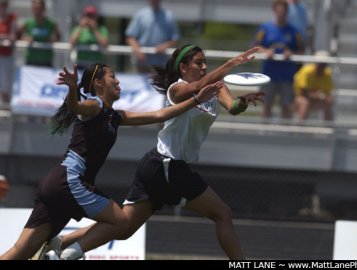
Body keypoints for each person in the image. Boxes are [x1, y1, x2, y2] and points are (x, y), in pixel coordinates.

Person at [42, 45, 263, 260]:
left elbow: (232, 108)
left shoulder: (216, 87)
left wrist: (242, 102)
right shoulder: (177, 88)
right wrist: (231, 63)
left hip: (162, 168)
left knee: (125, 228)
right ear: (183, 68)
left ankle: (60, 244)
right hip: (167, 164)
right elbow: (196, 89)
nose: (204, 66)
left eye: (205, 62)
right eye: (198, 62)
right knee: (222, 213)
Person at [0, 62, 220, 260]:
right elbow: (76, 107)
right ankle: (67, 255)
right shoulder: (94, 106)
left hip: (58, 185)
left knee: (22, 251)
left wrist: (196, 100)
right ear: (98, 83)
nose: (117, 80)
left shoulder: (115, 116)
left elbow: (159, 115)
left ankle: (61, 251)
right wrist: (72, 89)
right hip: (69, 181)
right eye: (112, 76)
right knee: (122, 222)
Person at [253, 0, 303, 119]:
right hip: (268, 75)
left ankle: (285, 134)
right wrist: (266, 51)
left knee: (287, 106)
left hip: (287, 76)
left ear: (287, 12)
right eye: (279, 10)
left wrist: (291, 53)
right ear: (274, 10)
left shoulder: (294, 31)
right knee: (266, 104)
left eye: (284, 10)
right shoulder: (265, 28)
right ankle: (264, 132)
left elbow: (301, 50)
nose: (281, 13)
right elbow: (255, 46)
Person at [125, 0, 180, 74]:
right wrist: (138, 51)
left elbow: (175, 38)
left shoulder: (169, 16)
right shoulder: (140, 15)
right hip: (141, 63)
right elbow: (130, 37)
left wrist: (164, 46)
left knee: (159, 85)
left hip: (161, 63)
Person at [293, 51, 334, 122]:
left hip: (316, 98)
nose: (322, 66)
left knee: (329, 102)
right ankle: (299, 129)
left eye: (324, 64)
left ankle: (328, 129)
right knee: (304, 103)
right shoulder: (306, 72)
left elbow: (328, 93)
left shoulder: (327, 74)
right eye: (320, 64)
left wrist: (323, 97)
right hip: (298, 97)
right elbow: (304, 93)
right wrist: (319, 95)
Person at [18, 0, 61, 67]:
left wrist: (52, 39)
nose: (38, 11)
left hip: (46, 61)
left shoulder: (51, 23)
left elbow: (58, 37)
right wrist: (26, 39)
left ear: (44, 9)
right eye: (35, 8)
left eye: (40, 8)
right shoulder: (27, 23)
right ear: (32, 8)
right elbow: (18, 36)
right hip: (31, 61)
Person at [69, 5, 109, 70]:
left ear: (96, 17)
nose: (89, 18)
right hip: (81, 64)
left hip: (96, 65)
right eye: (87, 15)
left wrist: (95, 30)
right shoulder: (78, 29)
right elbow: (72, 42)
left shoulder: (102, 29)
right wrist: (80, 28)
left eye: (92, 16)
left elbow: (104, 44)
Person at [0, 0, 17, 107]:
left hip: (6, 56)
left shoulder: (12, 17)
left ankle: (6, 107)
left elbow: (12, 37)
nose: (2, 6)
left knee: (5, 84)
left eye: (4, 4)